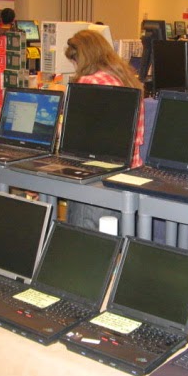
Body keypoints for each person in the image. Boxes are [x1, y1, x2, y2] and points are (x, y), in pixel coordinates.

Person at [63, 29, 145, 229]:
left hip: (98, 177)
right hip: (129, 174)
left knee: (84, 238)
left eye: (75, 61)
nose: (75, 67)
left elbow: (74, 136)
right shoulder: (126, 78)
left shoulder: (90, 82)